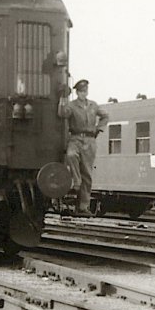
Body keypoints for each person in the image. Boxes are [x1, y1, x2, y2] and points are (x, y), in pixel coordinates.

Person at [58, 79, 109, 217]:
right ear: (77, 92)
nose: (83, 93)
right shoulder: (71, 105)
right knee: (71, 155)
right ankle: (76, 179)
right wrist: (62, 98)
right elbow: (62, 114)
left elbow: (105, 116)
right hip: (75, 138)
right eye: (80, 91)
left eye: (85, 91)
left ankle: (83, 206)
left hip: (90, 140)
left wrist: (99, 129)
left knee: (87, 174)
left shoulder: (93, 105)